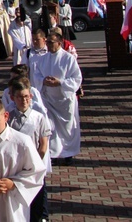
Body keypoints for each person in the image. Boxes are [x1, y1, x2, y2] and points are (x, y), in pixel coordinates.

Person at [30, 33, 82, 165]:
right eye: (47, 42)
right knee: (51, 127)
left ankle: (68, 153)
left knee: (67, 128)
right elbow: (36, 75)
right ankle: (53, 154)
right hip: (49, 99)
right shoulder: (42, 59)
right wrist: (43, 80)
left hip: (65, 100)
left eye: (51, 42)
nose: (48, 45)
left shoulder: (68, 58)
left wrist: (61, 82)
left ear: (59, 43)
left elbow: (76, 78)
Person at [7, 77, 52, 221]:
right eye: (19, 97)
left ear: (31, 96)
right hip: (15, 165)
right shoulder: (8, 118)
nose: (23, 100)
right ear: (13, 98)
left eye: (26, 96)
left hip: (34, 164)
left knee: (38, 196)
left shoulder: (38, 118)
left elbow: (43, 144)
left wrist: (36, 162)